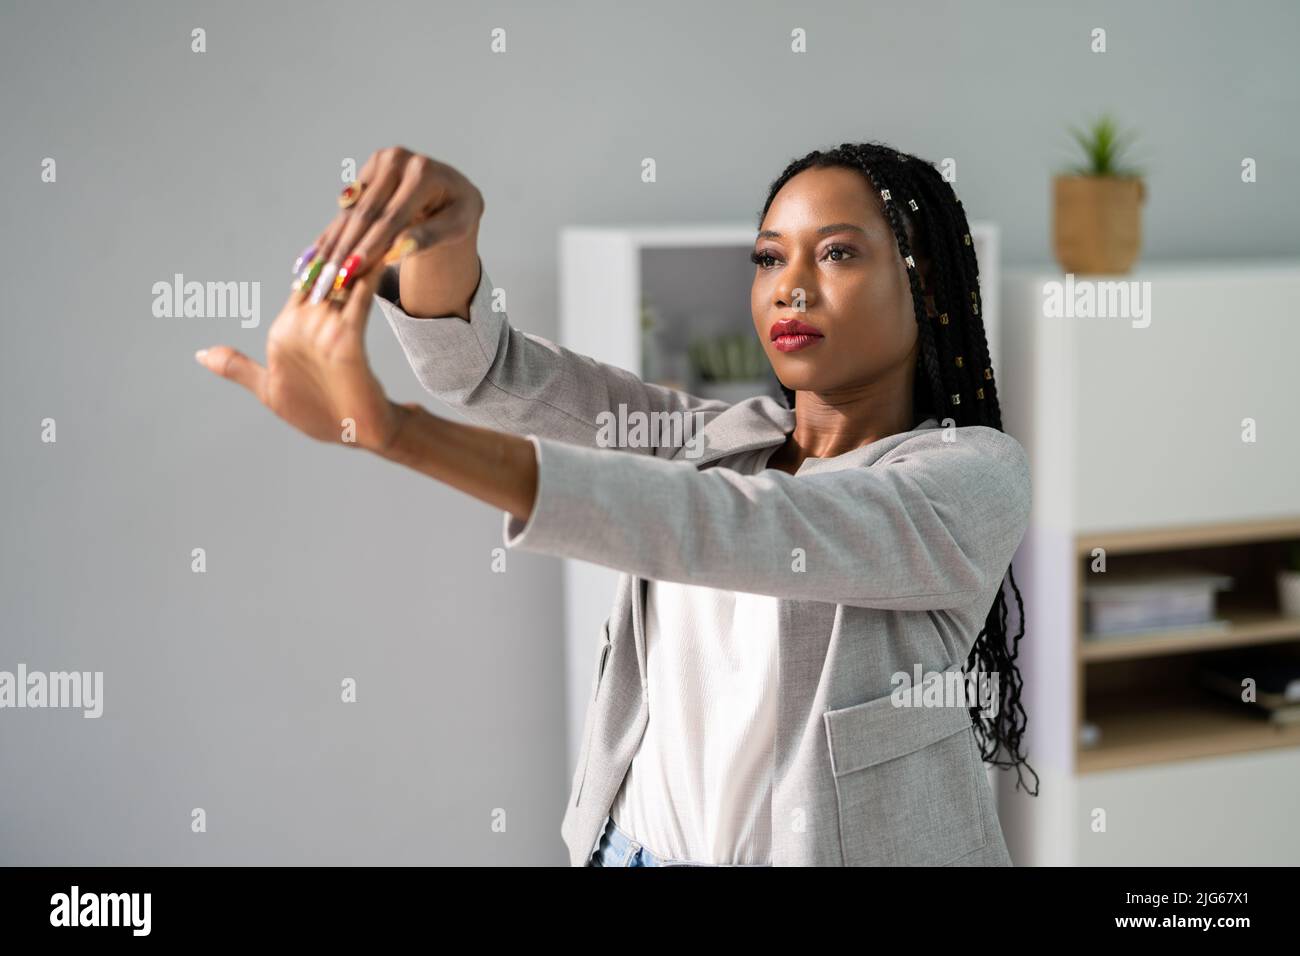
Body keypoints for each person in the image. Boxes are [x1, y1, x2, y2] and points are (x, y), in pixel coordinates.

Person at [196, 141, 1035, 867]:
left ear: (927, 285)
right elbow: (494, 375)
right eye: (771, 258)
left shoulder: (972, 475)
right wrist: (443, 237)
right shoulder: (709, 439)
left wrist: (394, 434)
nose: (792, 287)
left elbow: (739, 530)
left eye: (839, 254)